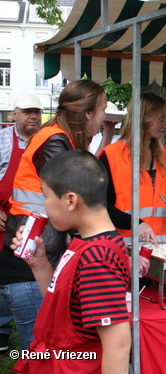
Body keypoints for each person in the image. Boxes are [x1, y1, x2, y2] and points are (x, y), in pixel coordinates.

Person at [0, 80, 107, 352]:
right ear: (87, 114)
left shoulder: (59, 136)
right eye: (103, 109)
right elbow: (73, 202)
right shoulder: (55, 141)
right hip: (29, 254)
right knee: (40, 348)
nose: (105, 116)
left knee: (41, 347)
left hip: (33, 247)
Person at [11, 150, 131, 373]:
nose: (44, 204)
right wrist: (40, 264)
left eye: (46, 196)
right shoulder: (84, 244)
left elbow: (118, 344)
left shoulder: (98, 257)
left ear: (70, 200)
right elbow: (61, 305)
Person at [99, 93, 166, 244]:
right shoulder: (112, 155)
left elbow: (152, 199)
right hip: (125, 248)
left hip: (160, 247)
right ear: (143, 118)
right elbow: (99, 205)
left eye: (165, 119)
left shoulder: (164, 155)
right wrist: (135, 223)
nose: (165, 124)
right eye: (160, 118)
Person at [0, 93, 42, 352]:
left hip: (28, 219)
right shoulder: (3, 140)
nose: (33, 116)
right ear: (14, 114)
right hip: (3, 215)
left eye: (36, 111)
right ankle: (2, 330)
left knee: (21, 271)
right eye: (27, 111)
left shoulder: (45, 140)